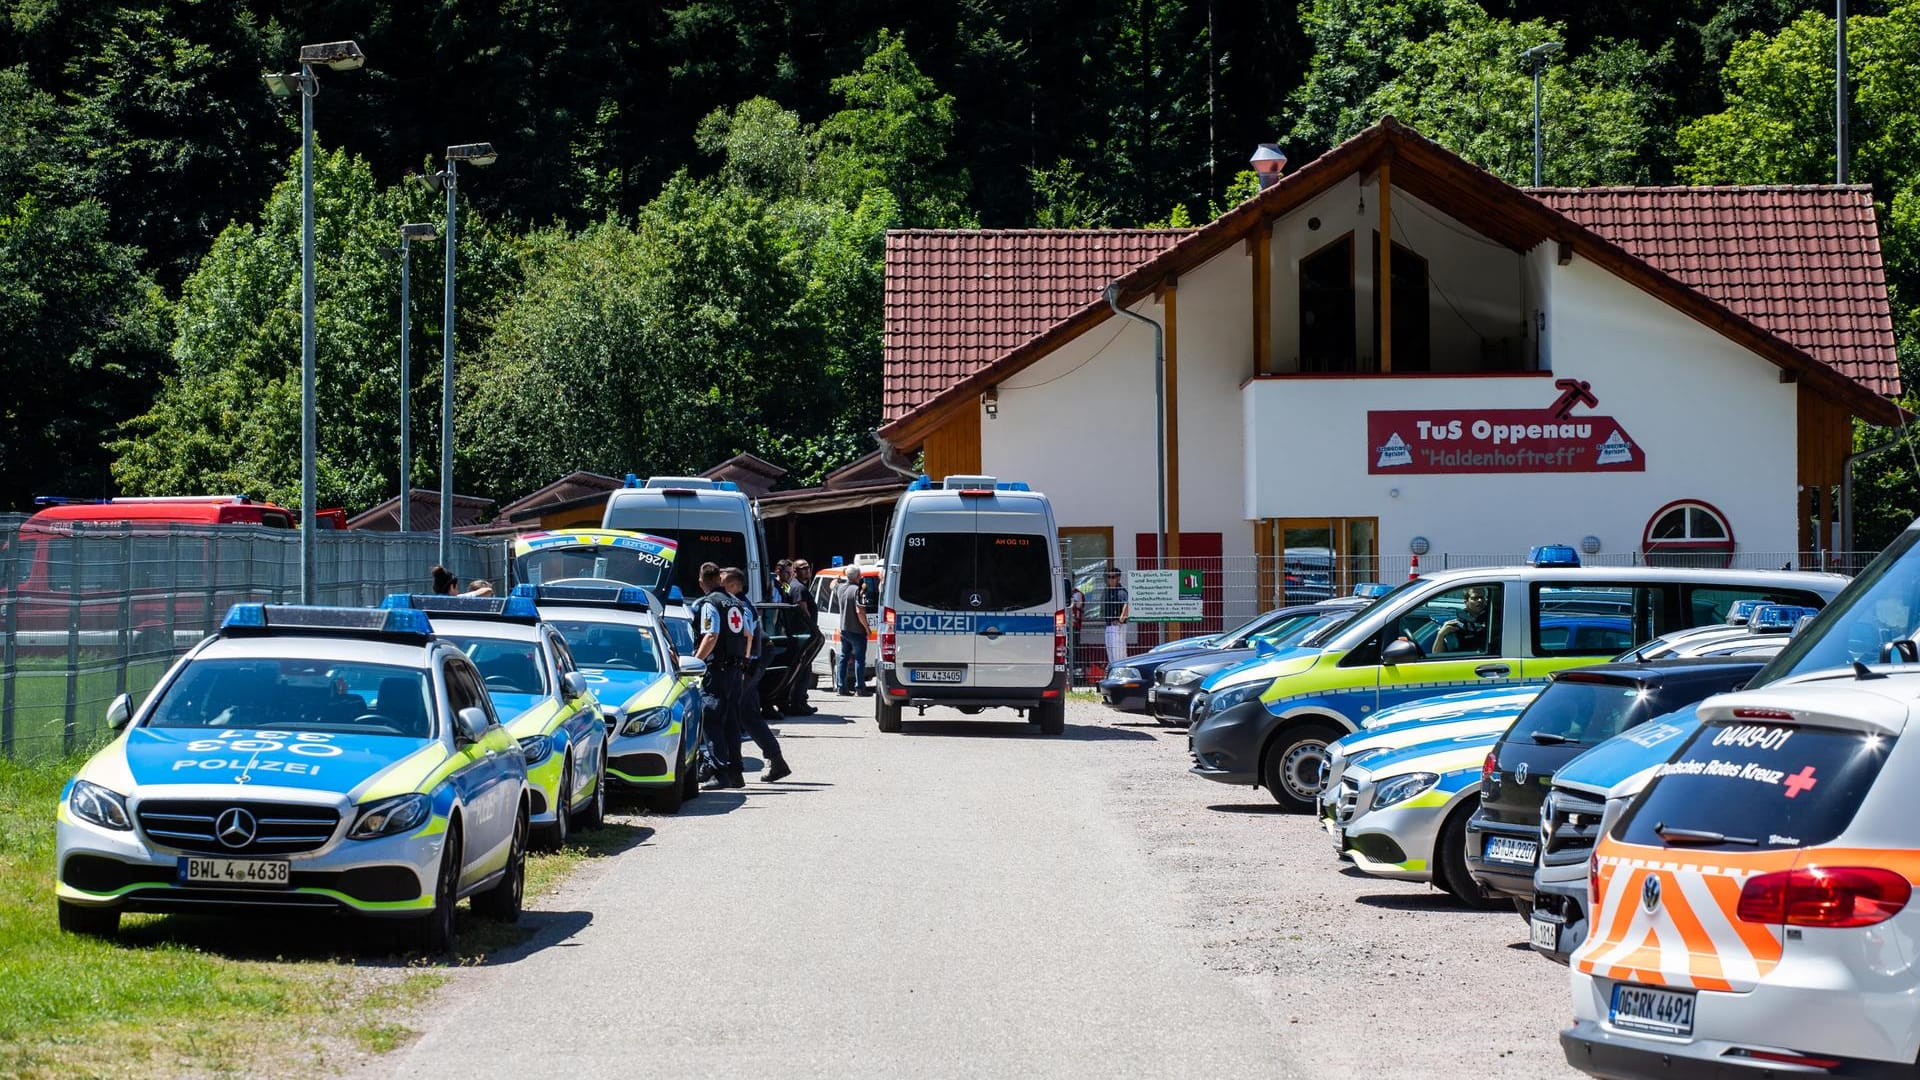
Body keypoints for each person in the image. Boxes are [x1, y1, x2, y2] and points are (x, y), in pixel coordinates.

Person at [724, 566, 791, 782]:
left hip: (748, 665)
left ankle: (726, 766)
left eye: (723, 582)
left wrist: (743, 666)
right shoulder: (740, 604)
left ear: (735, 585)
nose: (719, 585)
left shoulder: (740, 606)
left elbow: (746, 637)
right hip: (751, 663)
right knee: (748, 714)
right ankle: (776, 761)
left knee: (734, 713)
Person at [691, 563, 749, 789]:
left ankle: (720, 772)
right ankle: (736, 773)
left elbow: (711, 635)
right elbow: (746, 634)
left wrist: (697, 661)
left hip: (717, 671)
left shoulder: (709, 604)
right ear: (719, 579)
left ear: (702, 582)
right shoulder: (736, 602)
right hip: (735, 670)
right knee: (732, 722)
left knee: (713, 720)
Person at [785, 559, 821, 715]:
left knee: (801, 669)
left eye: (808, 568)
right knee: (804, 670)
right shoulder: (798, 588)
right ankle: (799, 703)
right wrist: (813, 629)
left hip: (799, 634)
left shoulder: (795, 586)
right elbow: (802, 610)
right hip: (803, 634)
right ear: (795, 570)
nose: (807, 571)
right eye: (802, 568)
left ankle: (797, 701)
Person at [836, 571, 870, 695]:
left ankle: (841, 687)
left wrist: (837, 580)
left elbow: (832, 585)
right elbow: (860, 611)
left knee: (844, 658)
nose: (861, 577)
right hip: (857, 631)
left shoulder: (840, 588)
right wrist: (867, 628)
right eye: (859, 575)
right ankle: (860, 688)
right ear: (856, 577)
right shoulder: (857, 591)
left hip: (844, 630)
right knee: (859, 659)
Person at [1433, 587, 1492, 654]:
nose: (1479, 600)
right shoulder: (1457, 623)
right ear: (1466, 602)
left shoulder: (1492, 618)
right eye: (1475, 598)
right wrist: (1441, 635)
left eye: (1482, 597)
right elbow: (1436, 654)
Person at [1097, 566, 1130, 666]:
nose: (1110, 579)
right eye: (1108, 577)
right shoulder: (1107, 591)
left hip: (1117, 626)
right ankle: (1114, 673)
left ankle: (1121, 673)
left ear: (1118, 578)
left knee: (1118, 653)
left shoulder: (1121, 591)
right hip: (1109, 625)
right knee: (1111, 653)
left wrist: (1120, 621)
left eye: (1113, 577)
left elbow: (1127, 606)